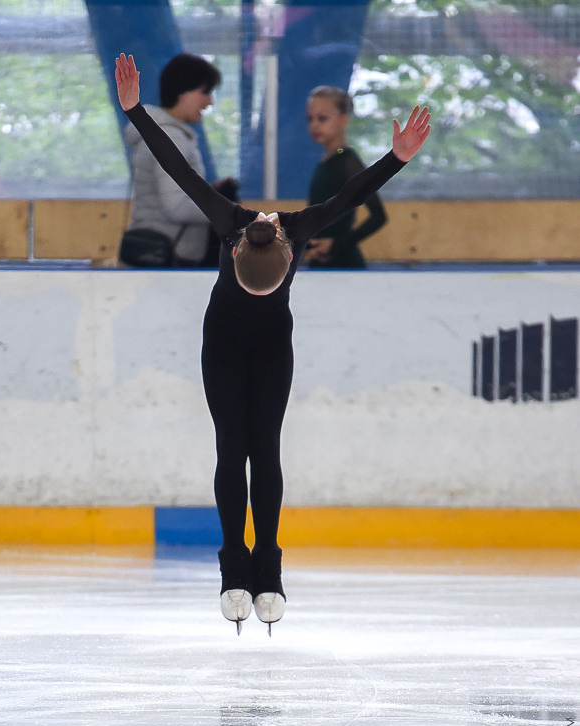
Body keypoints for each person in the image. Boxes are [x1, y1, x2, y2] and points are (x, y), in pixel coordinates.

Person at [115, 52, 430, 634]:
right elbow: (178, 170)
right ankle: (234, 565)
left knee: (265, 449)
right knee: (232, 448)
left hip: (269, 348)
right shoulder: (256, 223)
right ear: (240, 250)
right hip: (224, 345)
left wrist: (136, 110)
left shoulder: (250, 221)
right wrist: (396, 158)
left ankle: (269, 565)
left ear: (284, 256)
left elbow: (348, 197)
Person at [124, 53, 237, 267]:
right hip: (168, 260)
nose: (209, 101)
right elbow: (176, 206)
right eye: (205, 92)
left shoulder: (159, 132)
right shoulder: (170, 137)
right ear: (183, 91)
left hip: (159, 255)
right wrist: (227, 212)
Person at [303, 85, 387, 269]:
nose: (314, 125)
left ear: (344, 119)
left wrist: (337, 245)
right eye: (310, 119)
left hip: (343, 263)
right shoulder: (328, 160)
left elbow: (379, 216)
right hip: (321, 261)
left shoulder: (347, 162)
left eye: (322, 118)